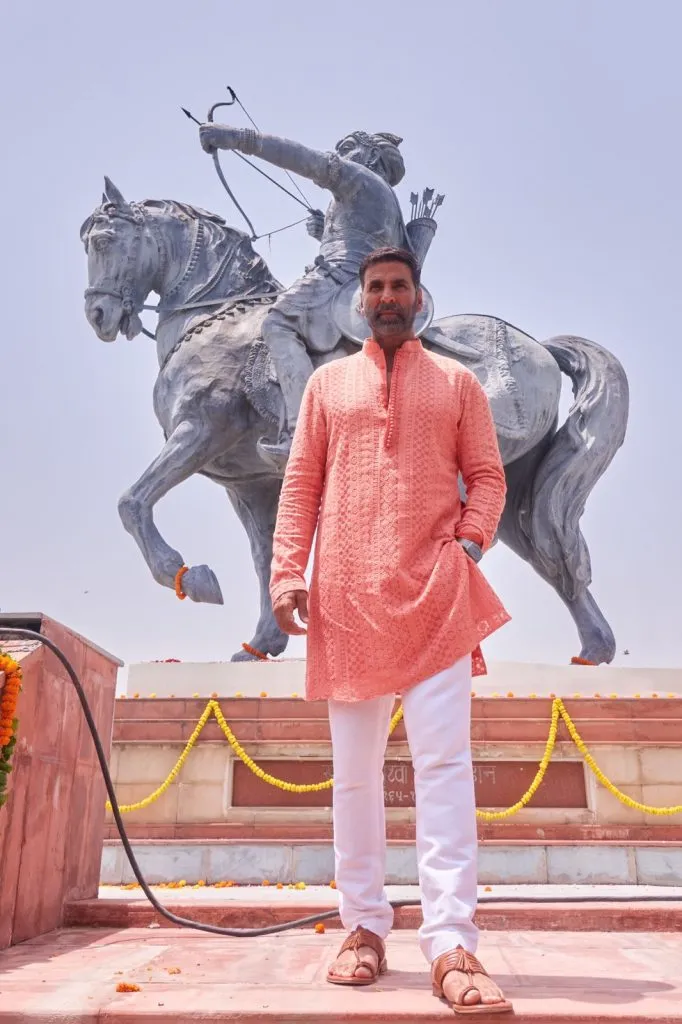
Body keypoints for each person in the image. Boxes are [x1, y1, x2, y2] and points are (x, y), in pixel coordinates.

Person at [268, 246, 513, 1015]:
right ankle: (363, 927)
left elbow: (490, 477)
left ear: (419, 296)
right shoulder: (327, 385)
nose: (386, 297)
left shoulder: (457, 383)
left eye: (398, 286)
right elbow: (301, 483)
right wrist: (286, 572)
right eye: (375, 286)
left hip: (437, 599)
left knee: (445, 770)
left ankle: (450, 940)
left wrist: (467, 546)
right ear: (360, 299)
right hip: (345, 600)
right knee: (354, 777)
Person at [199, 123, 416, 467]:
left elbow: (304, 159)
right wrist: (325, 235)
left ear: (371, 156)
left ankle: (301, 432)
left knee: (278, 323)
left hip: (343, 276)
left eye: (347, 146)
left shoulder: (361, 178)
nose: (341, 153)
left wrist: (238, 138)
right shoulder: (384, 199)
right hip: (359, 279)